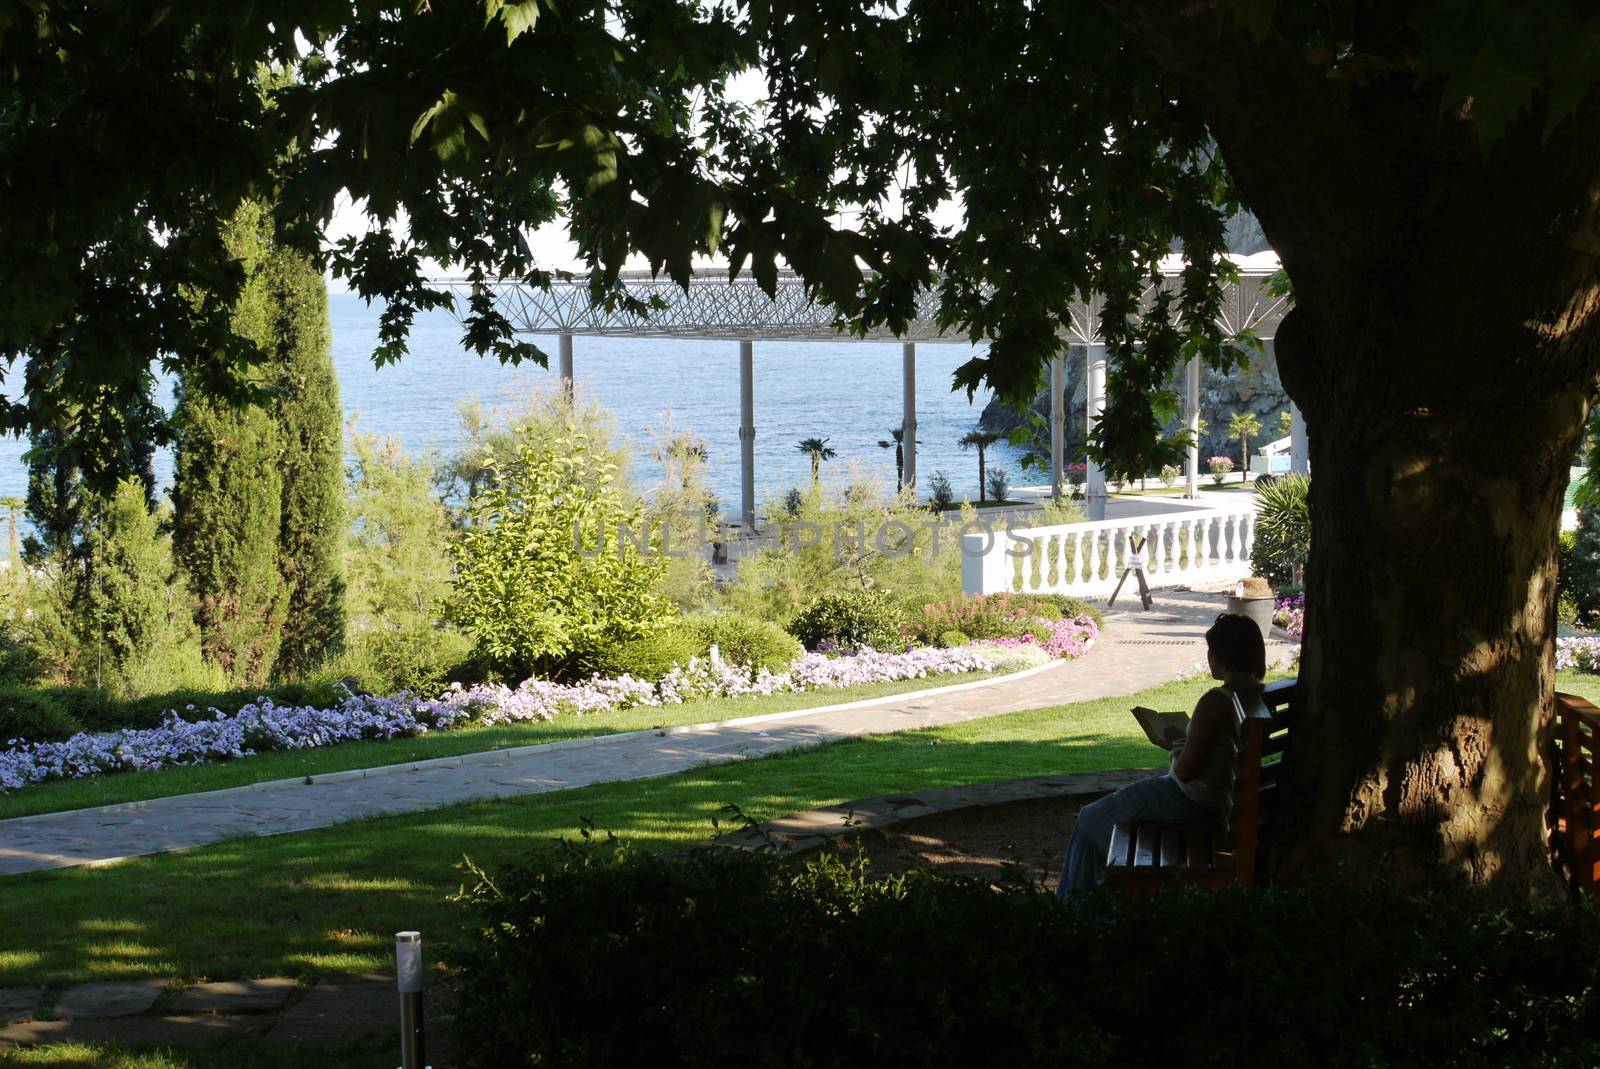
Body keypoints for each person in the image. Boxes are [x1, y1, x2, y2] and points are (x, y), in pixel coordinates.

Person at [1056, 612, 1267, 896]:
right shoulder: (1257, 694)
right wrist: (1187, 741)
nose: (1209, 658)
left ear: (1222, 656)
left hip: (1189, 799)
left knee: (1089, 819)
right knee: (1103, 818)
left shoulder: (1216, 701)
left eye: (1211, 652)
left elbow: (1185, 773)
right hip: (1215, 801)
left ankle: (1075, 908)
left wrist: (1176, 746)